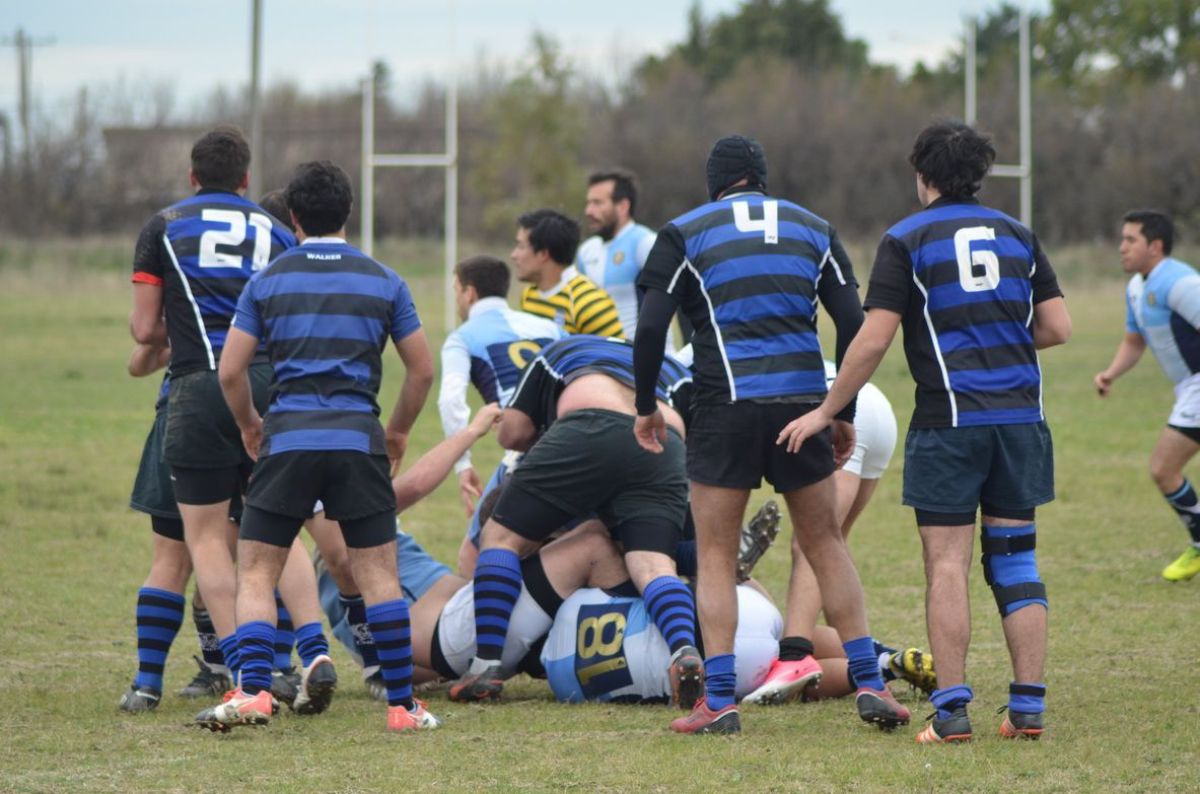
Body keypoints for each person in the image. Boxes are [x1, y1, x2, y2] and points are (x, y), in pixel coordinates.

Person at [777, 120, 1071, 743]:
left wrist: (828, 409)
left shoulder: (906, 239)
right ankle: (1027, 710)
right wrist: (1000, 342)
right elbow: (1057, 327)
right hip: (1021, 420)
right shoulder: (1020, 235)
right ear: (980, 174)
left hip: (950, 424)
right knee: (1017, 564)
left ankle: (954, 713)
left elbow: (873, 338)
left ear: (923, 176)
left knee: (946, 564)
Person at [634, 134, 907, 735]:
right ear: (761, 178)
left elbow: (651, 325)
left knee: (713, 554)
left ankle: (721, 699)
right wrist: (843, 412)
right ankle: (869, 682)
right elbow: (855, 324)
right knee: (825, 541)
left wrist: (645, 403)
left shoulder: (684, 231)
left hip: (722, 408)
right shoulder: (814, 228)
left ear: (716, 181)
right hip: (799, 408)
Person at [200, 160, 438, 733]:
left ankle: (254, 691)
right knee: (378, 573)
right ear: (348, 214)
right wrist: (399, 431)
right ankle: (402, 707)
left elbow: (231, 372)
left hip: (287, 440)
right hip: (359, 441)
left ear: (296, 217)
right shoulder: (385, 280)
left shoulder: (269, 280)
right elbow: (421, 370)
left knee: (257, 570)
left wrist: (250, 426)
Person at [127, 126, 328, 702]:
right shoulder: (275, 229)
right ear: (246, 180)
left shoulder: (163, 225)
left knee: (206, 540)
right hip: (270, 383)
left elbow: (145, 329)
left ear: (192, 177)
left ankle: (246, 675)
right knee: (276, 526)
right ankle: (312, 651)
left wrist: (178, 325)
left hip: (199, 384)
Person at [448, 335, 705, 710]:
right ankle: (683, 650)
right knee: (653, 564)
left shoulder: (562, 348)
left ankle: (485, 665)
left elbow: (514, 433)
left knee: (500, 537)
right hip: (664, 442)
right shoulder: (675, 368)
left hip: (589, 421)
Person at [744, 360, 919, 704]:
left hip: (833, 408)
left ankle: (794, 657)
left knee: (813, 542)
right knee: (830, 545)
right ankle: (880, 659)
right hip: (867, 400)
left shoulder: (692, 360)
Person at [1094, 210, 1200, 582]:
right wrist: (1111, 373)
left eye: (1130, 240)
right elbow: (1134, 341)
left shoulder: (1181, 282)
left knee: (1163, 468)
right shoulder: (1137, 287)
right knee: (1165, 470)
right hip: (1188, 391)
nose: (1121, 247)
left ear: (1155, 246)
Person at [439, 254, 561, 516]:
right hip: (572, 436)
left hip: (527, 451)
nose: (457, 300)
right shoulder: (549, 328)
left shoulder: (462, 337)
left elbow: (450, 399)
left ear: (469, 293)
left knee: (476, 549)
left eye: (457, 291)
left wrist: (462, 464)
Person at [576, 170, 662, 345]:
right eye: (588, 203)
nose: (588, 211)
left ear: (623, 206)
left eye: (597, 203)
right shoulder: (586, 251)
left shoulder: (646, 243)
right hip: (600, 360)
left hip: (640, 360)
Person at [514, 209, 624, 338]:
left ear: (543, 254)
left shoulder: (589, 303)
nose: (514, 255)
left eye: (521, 246)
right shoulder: (528, 295)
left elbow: (619, 356)